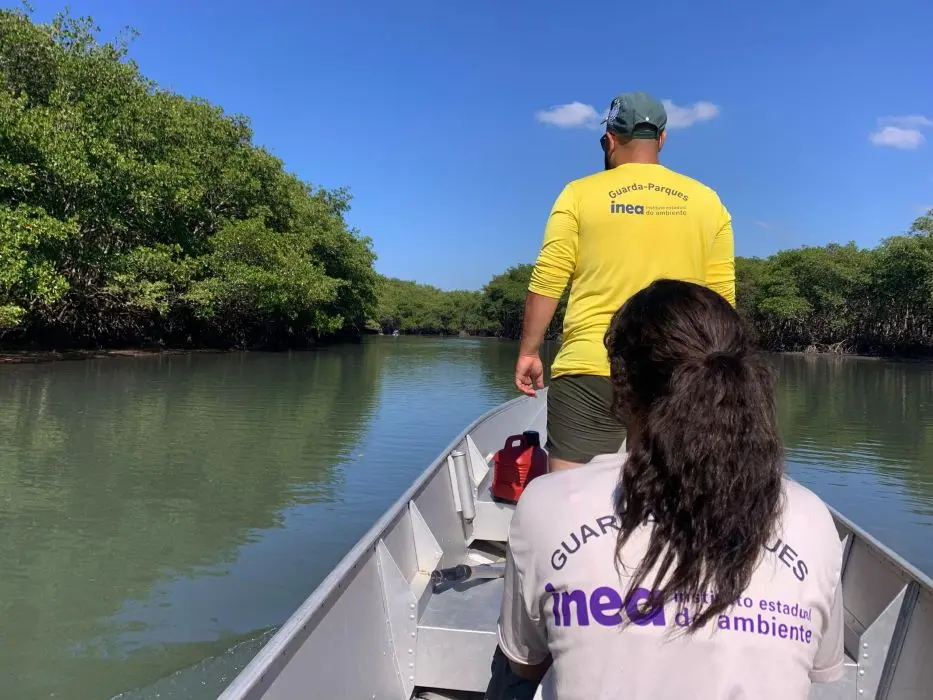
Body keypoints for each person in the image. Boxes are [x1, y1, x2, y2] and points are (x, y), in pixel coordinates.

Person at [494, 279, 845, 700]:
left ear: (620, 387)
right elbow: (822, 670)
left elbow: (523, 661)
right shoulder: (809, 517)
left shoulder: (546, 502)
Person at [515, 91, 736, 471]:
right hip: (679, 371)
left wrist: (529, 352)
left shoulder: (578, 193)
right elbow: (721, 299)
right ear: (662, 139)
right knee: (668, 502)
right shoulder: (708, 201)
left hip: (590, 366)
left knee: (570, 499)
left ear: (610, 139)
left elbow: (549, 279)